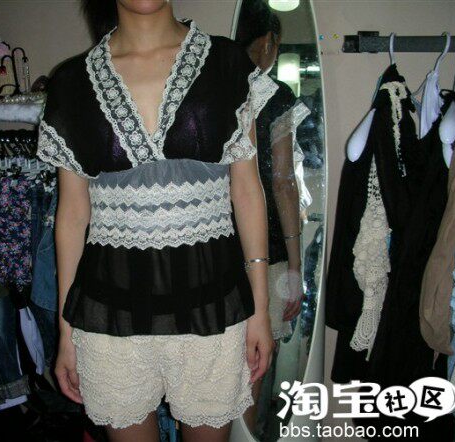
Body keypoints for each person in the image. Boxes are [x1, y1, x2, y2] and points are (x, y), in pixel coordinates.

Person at [36, 1, 279, 441]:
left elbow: (247, 190)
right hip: (109, 317)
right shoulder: (71, 83)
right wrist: (66, 330)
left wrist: (260, 309)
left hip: (213, 310)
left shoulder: (227, 64)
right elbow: (71, 215)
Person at [235, 0, 310, 437]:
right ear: (267, 43)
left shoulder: (214, 85)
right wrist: (296, 266)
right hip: (269, 250)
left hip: (216, 248)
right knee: (257, 365)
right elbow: (283, 183)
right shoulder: (275, 95)